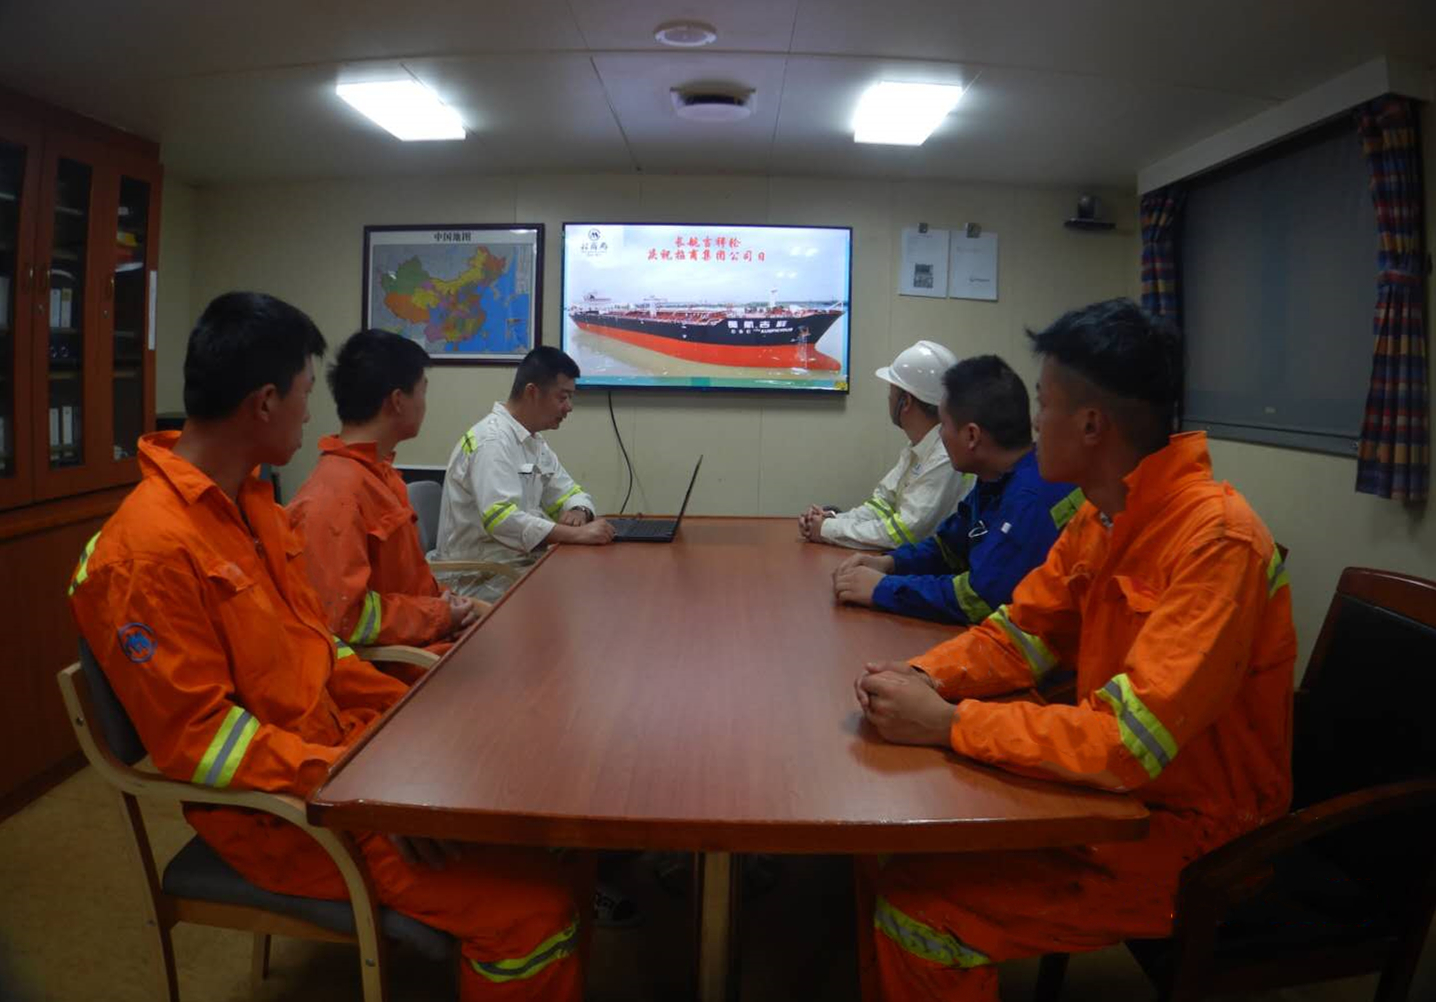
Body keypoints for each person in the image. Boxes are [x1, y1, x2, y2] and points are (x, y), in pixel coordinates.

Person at [68, 292, 591, 1001]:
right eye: (305, 393)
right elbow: (206, 745)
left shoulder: (251, 509)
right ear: (265, 403)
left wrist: (409, 734)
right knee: (534, 915)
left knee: (528, 827)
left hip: (348, 759)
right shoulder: (145, 553)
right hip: (290, 814)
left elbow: (321, 647)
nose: (313, 414)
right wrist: (366, 789)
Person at [854, 299, 1295, 1002]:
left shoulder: (1218, 543)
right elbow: (1019, 636)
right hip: (1107, 799)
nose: (1033, 424)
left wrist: (949, 724)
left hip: (1197, 841)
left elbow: (1125, 744)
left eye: (1045, 403)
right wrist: (919, 677)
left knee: (921, 910)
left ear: (1091, 425)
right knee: (904, 846)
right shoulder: (1103, 514)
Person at [288, 330, 486, 677]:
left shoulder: (379, 475)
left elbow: (406, 583)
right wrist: (439, 615)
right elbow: (347, 617)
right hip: (403, 673)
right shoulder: (334, 497)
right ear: (397, 401)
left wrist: (453, 606)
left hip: (433, 642)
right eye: (422, 391)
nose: (424, 404)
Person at [832, 355, 1082, 623]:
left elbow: (979, 598)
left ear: (971, 436)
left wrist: (883, 589)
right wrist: (890, 563)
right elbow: (948, 547)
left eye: (944, 425)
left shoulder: (1032, 499)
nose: (940, 435)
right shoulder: (994, 480)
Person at [432, 346, 613, 601]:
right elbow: (501, 519)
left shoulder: (533, 442)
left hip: (516, 566)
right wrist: (577, 534)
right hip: (480, 579)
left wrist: (579, 511)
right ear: (532, 392)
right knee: (582, 594)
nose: (569, 407)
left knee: (590, 584)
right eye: (563, 397)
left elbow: (569, 491)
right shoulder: (492, 442)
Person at [799, 341, 972, 549]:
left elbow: (905, 532)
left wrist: (827, 529)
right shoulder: (918, 447)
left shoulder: (944, 456)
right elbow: (881, 507)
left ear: (906, 401)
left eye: (892, 390)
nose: (889, 398)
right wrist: (830, 520)